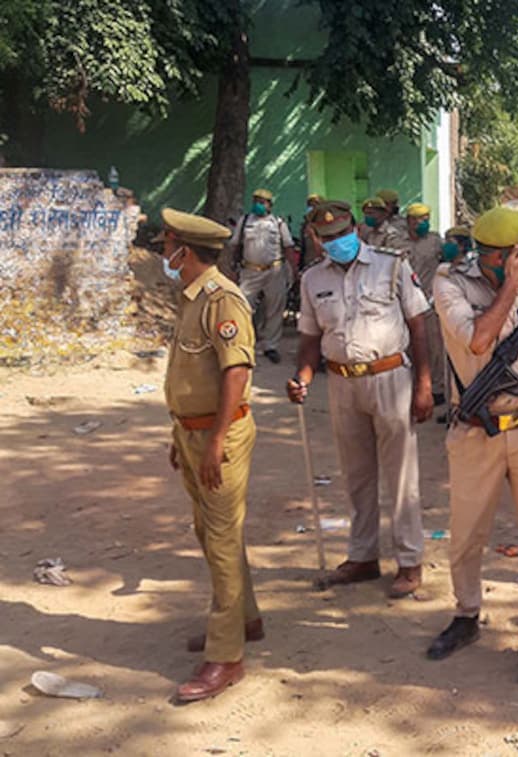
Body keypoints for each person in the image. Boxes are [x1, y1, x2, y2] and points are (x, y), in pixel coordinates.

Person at [427, 206, 518, 686]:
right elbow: (480, 342)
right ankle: (466, 616)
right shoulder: (450, 286)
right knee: (466, 535)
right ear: (504, 256)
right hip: (476, 431)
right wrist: (509, 285)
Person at [287, 201, 434, 599]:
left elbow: (418, 327)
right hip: (341, 383)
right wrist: (302, 375)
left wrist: (423, 384)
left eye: (343, 234)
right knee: (357, 475)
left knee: (401, 476)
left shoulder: (392, 266)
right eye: (329, 238)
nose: (338, 242)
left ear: (355, 229)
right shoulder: (311, 279)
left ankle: (409, 561)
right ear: (318, 240)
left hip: (390, 378)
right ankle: (363, 556)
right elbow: (309, 336)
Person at [157, 207, 262, 702]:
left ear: (186, 249)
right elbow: (189, 374)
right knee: (212, 530)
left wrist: (215, 441)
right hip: (192, 433)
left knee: (220, 541)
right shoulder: (191, 299)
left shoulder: (223, 301)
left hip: (220, 436)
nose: (163, 249)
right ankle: (245, 621)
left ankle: (226, 657)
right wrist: (183, 435)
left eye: (168, 242)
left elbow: (234, 374)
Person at [226, 188, 295, 363]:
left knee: (274, 309)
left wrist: (292, 270)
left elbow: (288, 247)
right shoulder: (245, 221)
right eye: (256, 201)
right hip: (249, 272)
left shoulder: (278, 223)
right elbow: (234, 246)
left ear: (270, 205)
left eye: (262, 202)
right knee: (242, 307)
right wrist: (232, 268)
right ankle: (244, 344)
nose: (258, 204)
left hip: (274, 271)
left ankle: (270, 346)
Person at [405, 202, 447, 404]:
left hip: (429, 300)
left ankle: (437, 388)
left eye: (426, 220)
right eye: (418, 220)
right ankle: (411, 386)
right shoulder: (398, 242)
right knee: (407, 345)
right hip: (405, 301)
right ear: (409, 221)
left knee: (434, 346)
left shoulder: (435, 241)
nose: (423, 223)